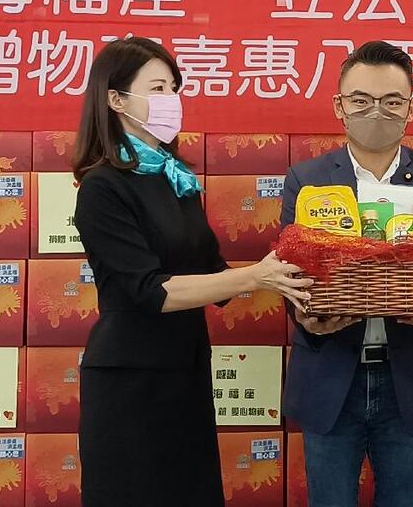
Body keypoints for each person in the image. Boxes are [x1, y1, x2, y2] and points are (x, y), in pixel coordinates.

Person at [72, 37, 310, 507]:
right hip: (130, 378)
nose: (171, 100)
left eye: (174, 89)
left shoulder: (173, 177)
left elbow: (212, 271)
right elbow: (150, 290)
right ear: (116, 99)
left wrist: (299, 261)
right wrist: (254, 277)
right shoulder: (102, 186)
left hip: (186, 369)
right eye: (157, 88)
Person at [280, 40, 413, 507]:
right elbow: (287, 271)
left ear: (410, 109)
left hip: (408, 378)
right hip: (330, 376)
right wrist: (307, 318)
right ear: (339, 106)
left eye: (391, 101)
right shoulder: (306, 180)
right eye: (361, 100)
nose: (375, 111)